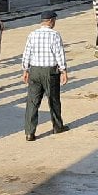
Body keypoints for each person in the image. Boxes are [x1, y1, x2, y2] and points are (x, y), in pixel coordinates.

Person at [20, 11, 68, 141]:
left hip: (34, 70)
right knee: (53, 100)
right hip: (50, 71)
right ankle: (57, 126)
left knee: (32, 102)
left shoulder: (32, 34)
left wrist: (25, 70)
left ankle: (29, 132)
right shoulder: (55, 35)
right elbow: (59, 54)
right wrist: (63, 70)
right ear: (51, 21)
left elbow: (27, 53)